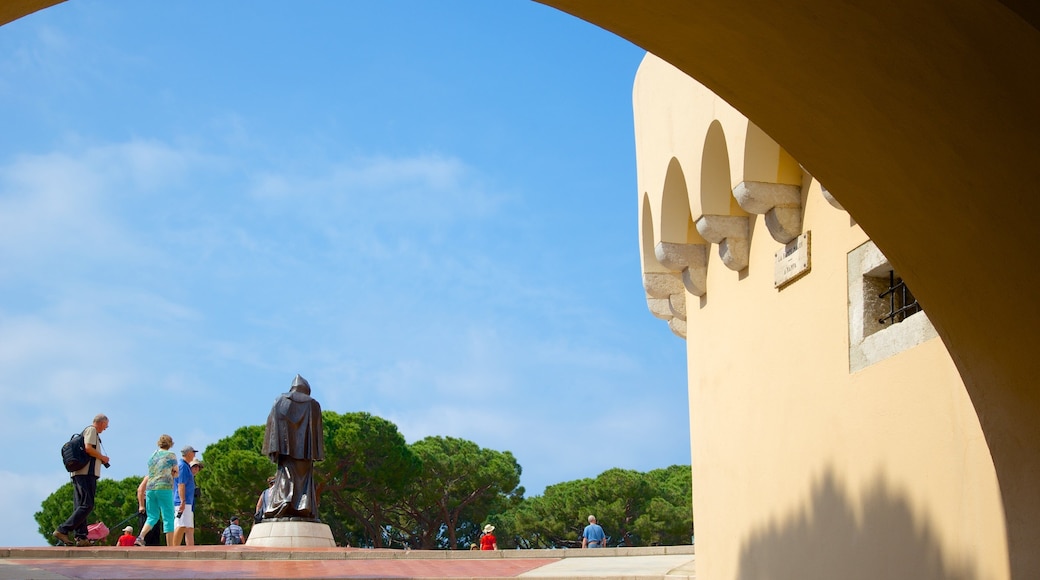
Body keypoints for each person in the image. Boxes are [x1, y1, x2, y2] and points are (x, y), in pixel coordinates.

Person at [262, 374, 325, 520]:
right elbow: (316, 431)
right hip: (305, 451)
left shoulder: (280, 400)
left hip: (285, 449)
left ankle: (284, 501)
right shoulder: (313, 404)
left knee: (285, 476)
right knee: (303, 480)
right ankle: (303, 505)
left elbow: (272, 427)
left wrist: (275, 449)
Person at [53, 414, 110, 547]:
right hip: (86, 473)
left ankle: (81, 536)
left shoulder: (88, 431)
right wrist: (102, 458)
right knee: (87, 504)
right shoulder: (91, 430)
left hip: (79, 473)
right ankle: (63, 530)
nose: (106, 428)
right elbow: (88, 448)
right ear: (101, 423)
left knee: (81, 505)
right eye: (106, 425)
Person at [135, 434, 178, 547]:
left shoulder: (152, 456)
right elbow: (176, 472)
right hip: (164, 487)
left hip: (150, 488)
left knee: (152, 516)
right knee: (168, 516)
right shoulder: (171, 455)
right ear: (170, 444)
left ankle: (141, 537)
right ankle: (170, 546)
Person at [172, 446, 199, 546]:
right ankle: (174, 549)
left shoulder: (185, 466)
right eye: (193, 452)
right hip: (182, 501)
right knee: (180, 525)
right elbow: (181, 484)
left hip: (188, 502)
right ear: (188, 453)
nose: (194, 454)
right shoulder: (182, 466)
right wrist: (182, 501)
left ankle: (189, 550)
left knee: (188, 527)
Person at [135, 476, 162, 546]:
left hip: (155, 506)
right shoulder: (149, 477)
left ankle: (154, 547)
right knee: (145, 526)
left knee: (155, 530)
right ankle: (140, 542)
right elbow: (140, 490)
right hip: (146, 504)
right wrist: (141, 505)